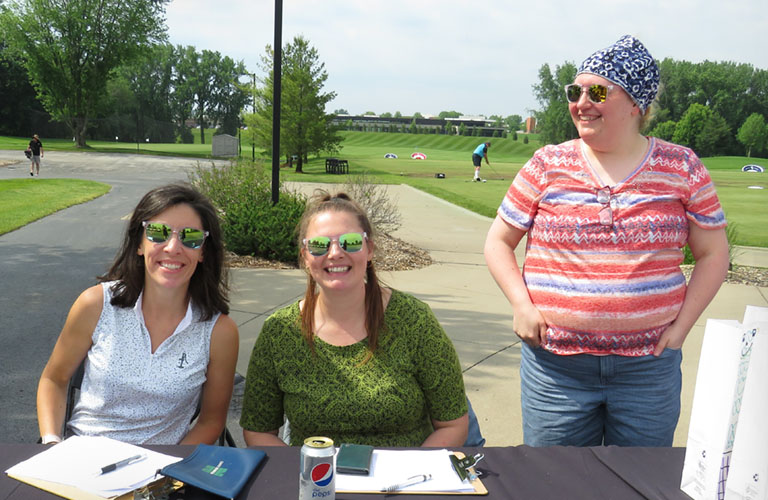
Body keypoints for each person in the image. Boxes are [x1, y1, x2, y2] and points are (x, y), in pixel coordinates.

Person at [483, 35, 729, 447]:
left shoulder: (682, 166)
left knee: (637, 484)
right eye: (574, 91)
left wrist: (682, 327)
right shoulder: (547, 163)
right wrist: (521, 305)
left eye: (598, 90)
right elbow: (498, 242)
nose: (581, 102)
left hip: (647, 371)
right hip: (556, 369)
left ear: (636, 104)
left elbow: (713, 253)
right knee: (553, 484)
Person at [240, 192, 469, 447]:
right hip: (317, 480)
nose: (335, 253)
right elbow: (258, 431)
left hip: (402, 481)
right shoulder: (280, 332)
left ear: (369, 249)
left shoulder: (414, 321)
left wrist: (405, 479)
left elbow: (453, 423)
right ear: (305, 256)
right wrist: (309, 476)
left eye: (350, 242)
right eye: (319, 245)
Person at [36, 183, 239, 445]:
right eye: (158, 233)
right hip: (81, 461)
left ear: (202, 252)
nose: (173, 247)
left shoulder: (219, 332)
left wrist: (167, 472)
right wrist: (52, 444)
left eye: (190, 237)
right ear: (139, 244)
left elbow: (211, 422)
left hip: (161, 472)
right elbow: (54, 378)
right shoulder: (95, 305)